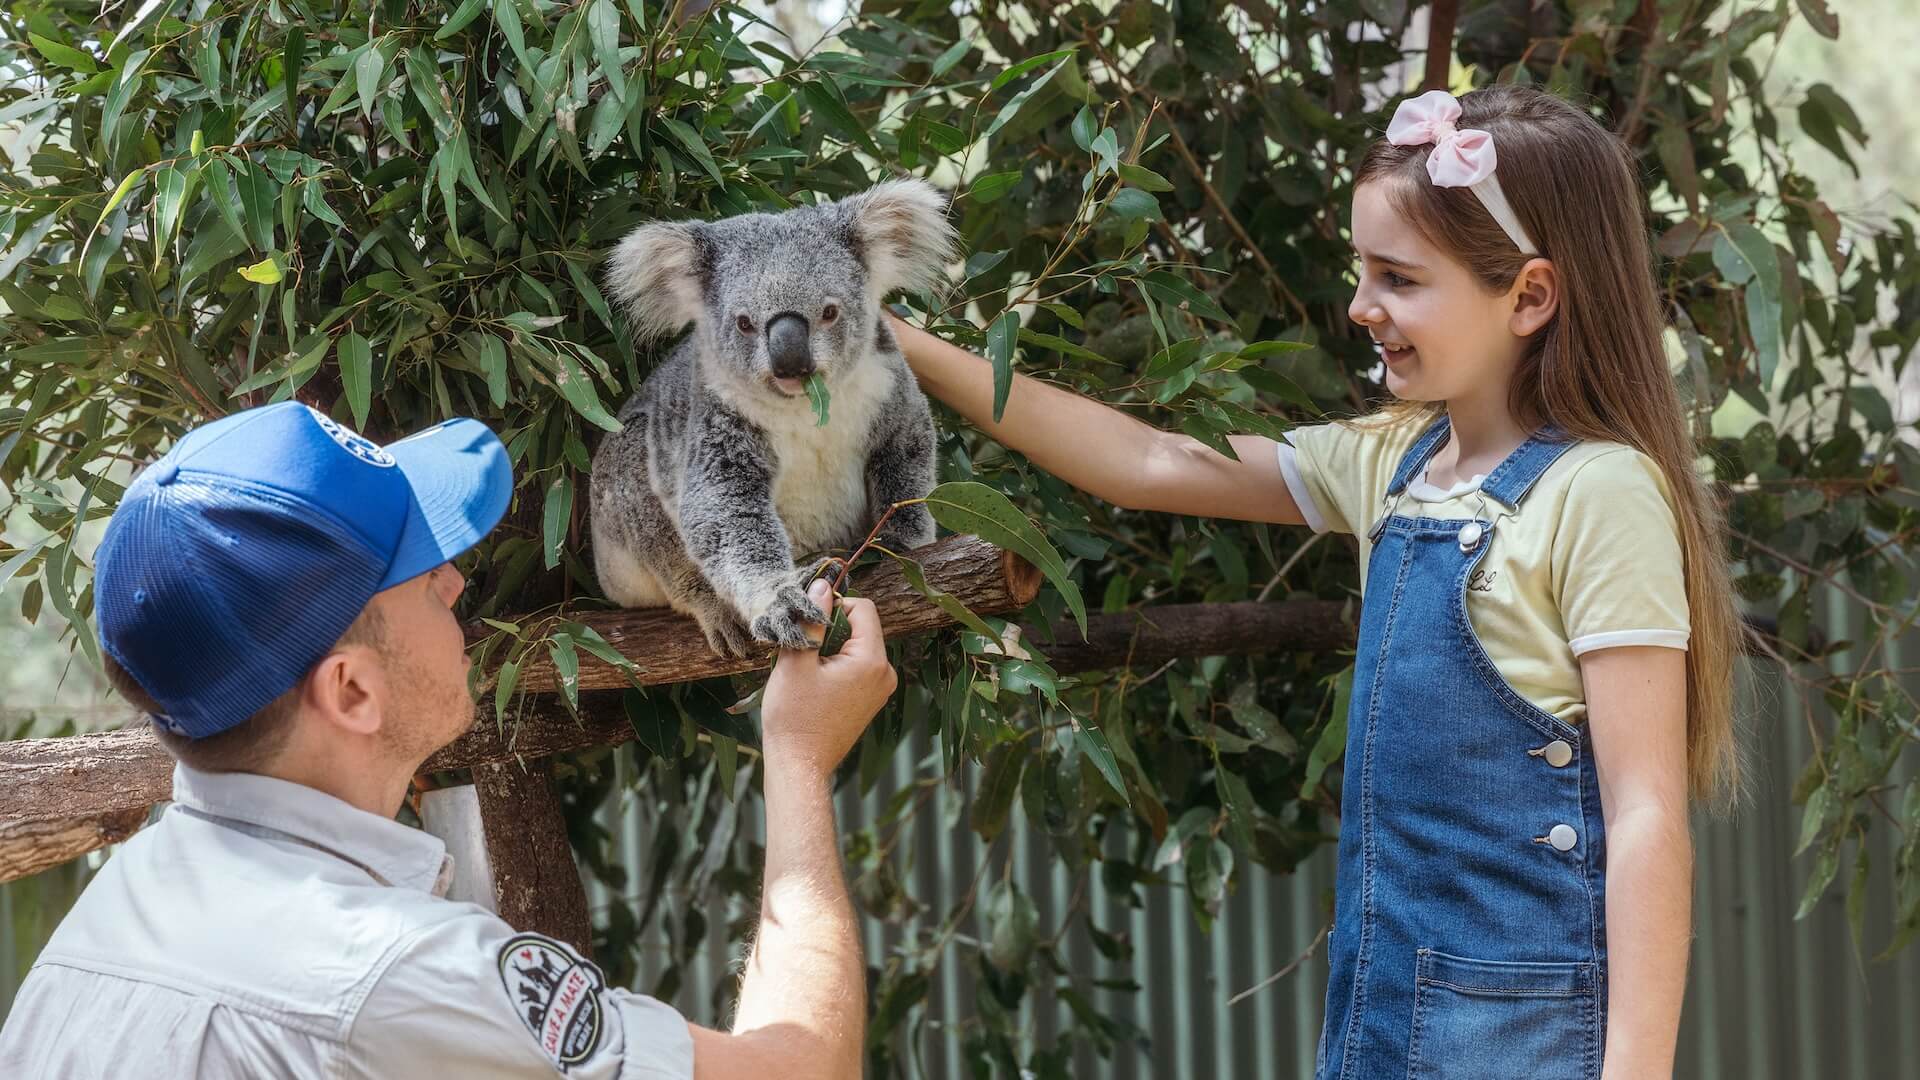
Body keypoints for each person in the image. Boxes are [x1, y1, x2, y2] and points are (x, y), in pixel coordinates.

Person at [888, 84, 1740, 1080]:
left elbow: (1643, 813)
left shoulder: (1600, 491)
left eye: (1399, 278)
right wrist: (901, 345)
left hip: (1523, 1038)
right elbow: (1149, 461)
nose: (1361, 306)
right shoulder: (1393, 463)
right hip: (1377, 1016)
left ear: (1530, 297)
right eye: (1360, 270)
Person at [0, 400, 895, 1080]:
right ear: (351, 691)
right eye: (425, 581)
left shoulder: (104, 927)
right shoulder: (398, 974)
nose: (461, 584)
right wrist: (798, 758)